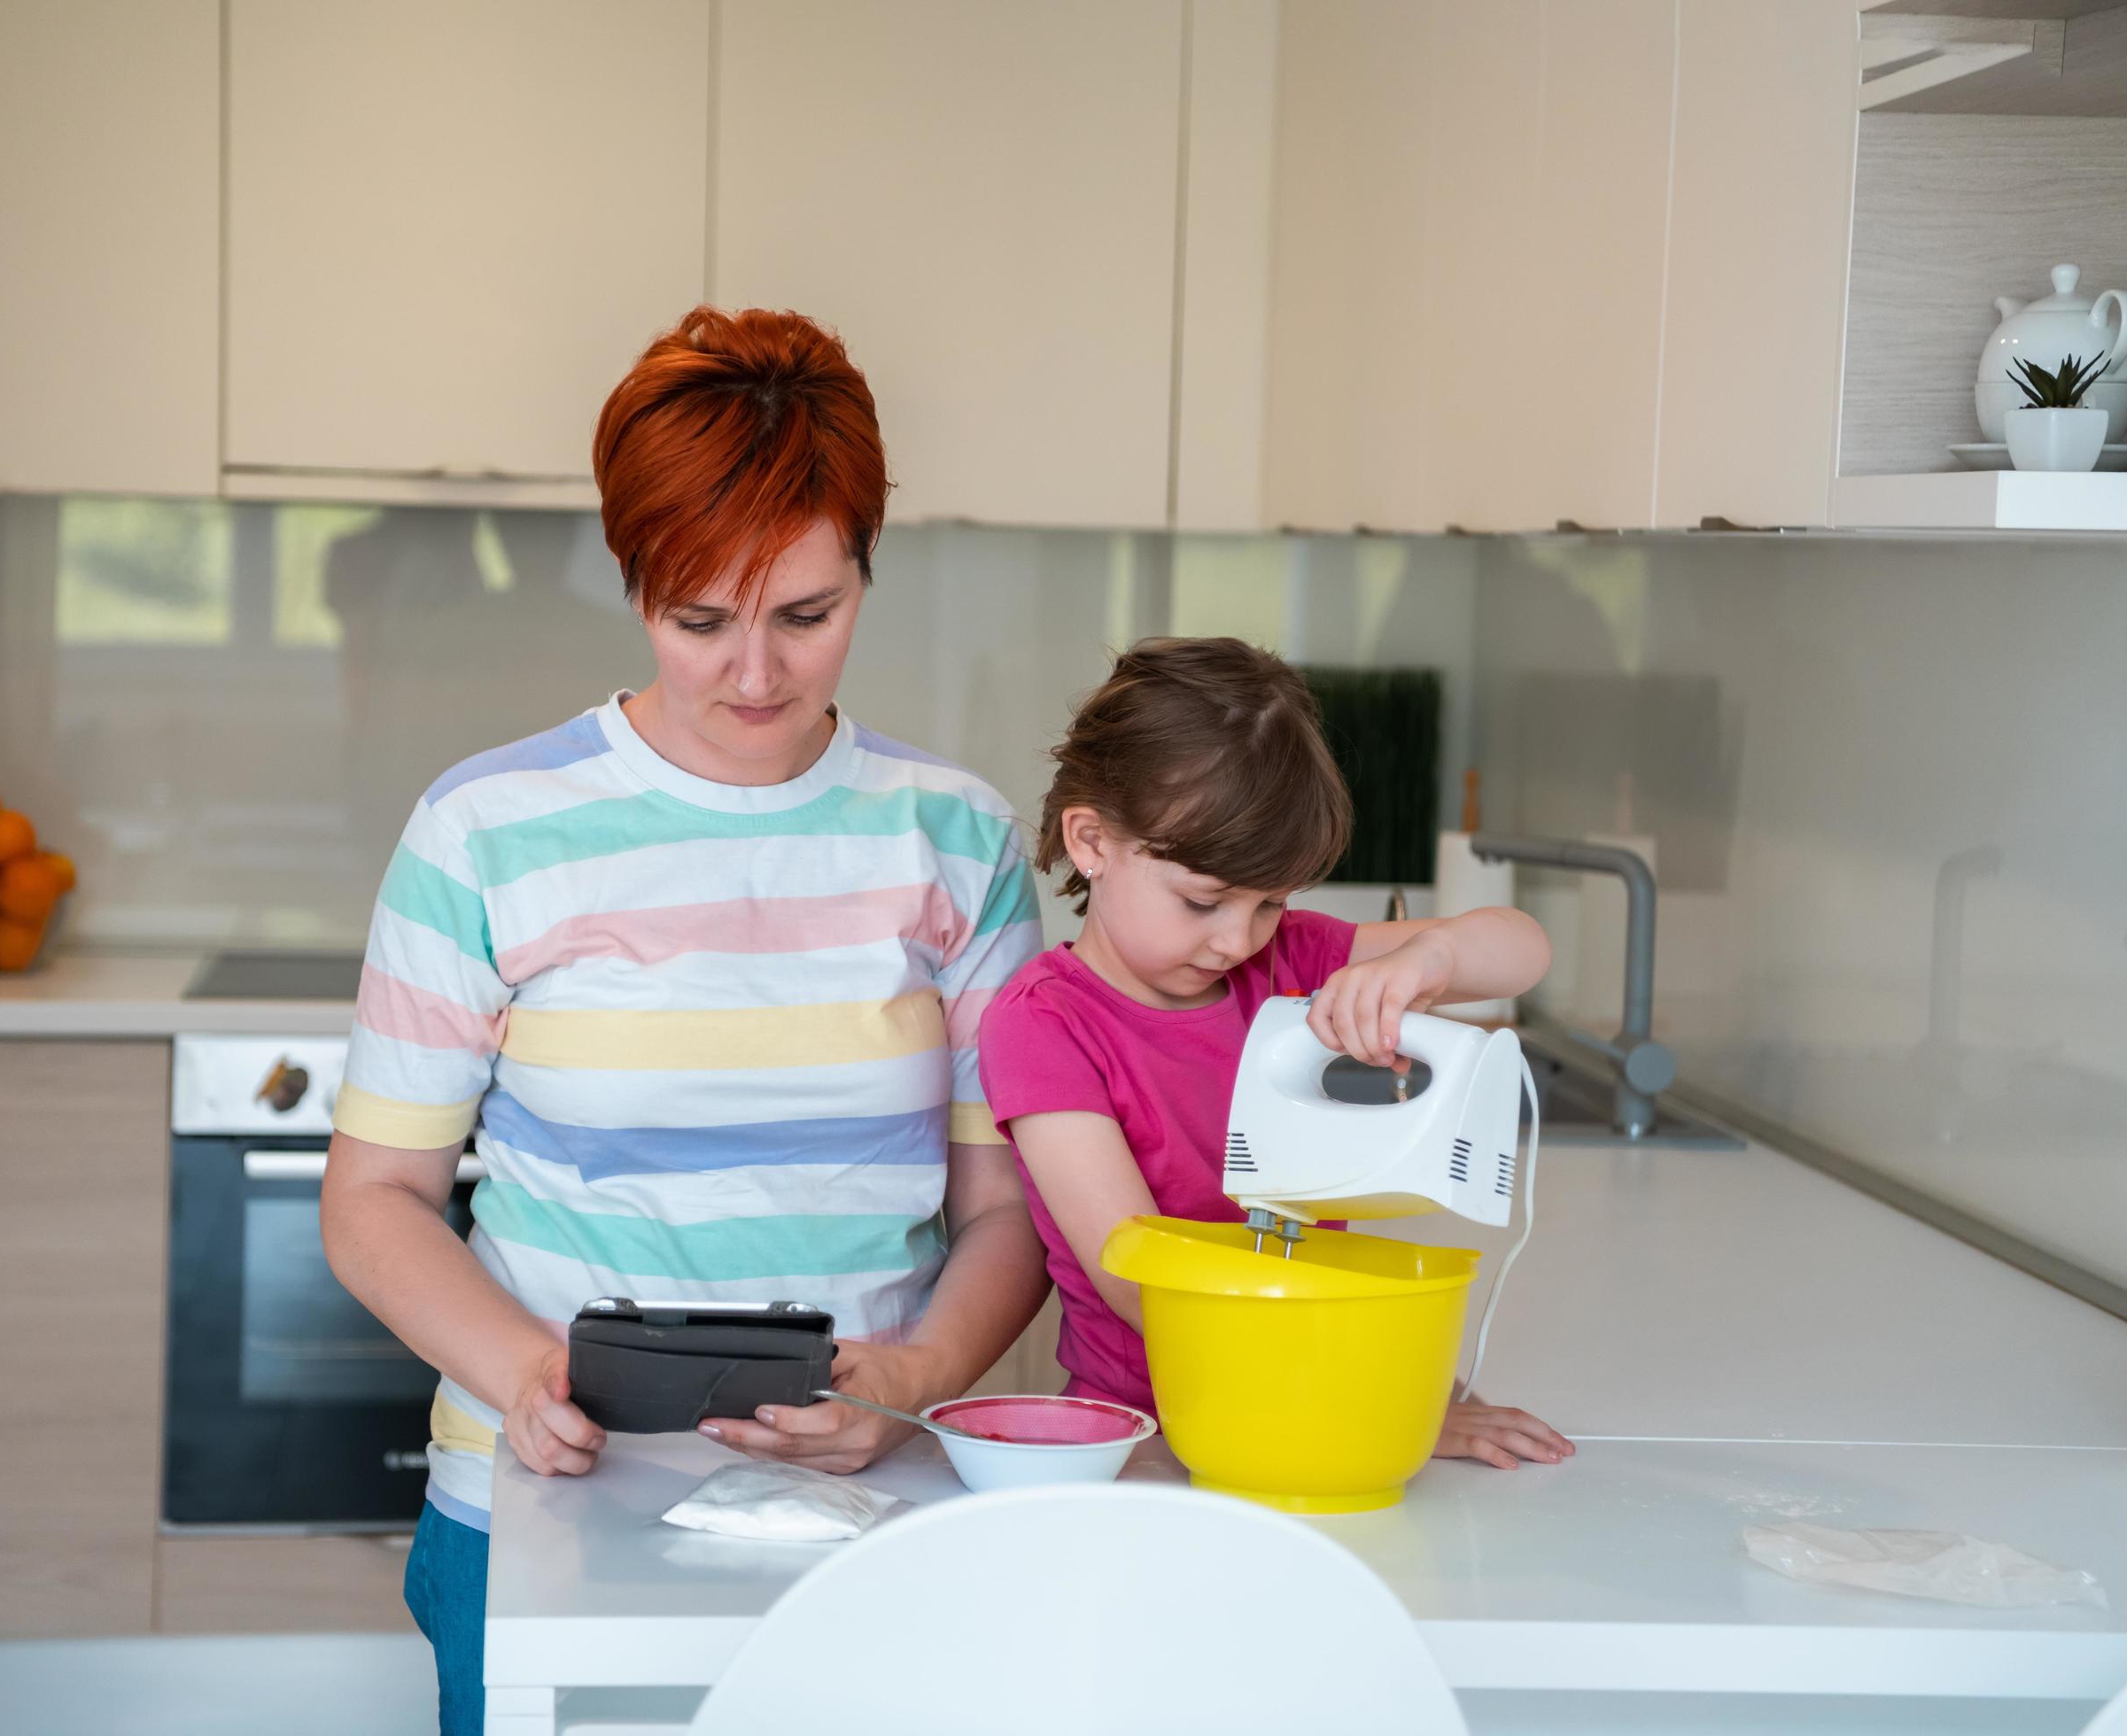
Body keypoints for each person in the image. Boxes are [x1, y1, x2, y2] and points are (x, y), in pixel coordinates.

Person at [320, 307, 1050, 1736]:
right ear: (634, 582)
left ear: (866, 573)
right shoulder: (486, 832)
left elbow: (1007, 1214)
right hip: (543, 1510)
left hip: (867, 1519)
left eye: (807, 614)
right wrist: (530, 1373)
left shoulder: (956, 838)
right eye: (700, 620)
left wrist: (908, 1380)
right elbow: (376, 1200)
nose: (756, 676)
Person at [978, 636, 1573, 1470]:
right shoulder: (1043, 1024)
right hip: (1145, 1435)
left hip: (1320, 1386)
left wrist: (1430, 958)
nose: (1236, 939)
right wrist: (1368, 1393)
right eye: (1205, 899)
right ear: (1090, 841)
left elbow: (1523, 949)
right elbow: (1137, 1276)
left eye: (1271, 903)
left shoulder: (1288, 964)